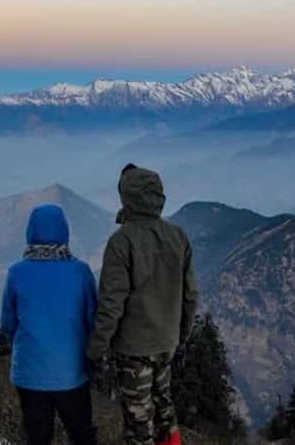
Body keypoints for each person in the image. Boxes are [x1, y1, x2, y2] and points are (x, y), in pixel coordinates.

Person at [87, 164, 199, 445]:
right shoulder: (178, 236)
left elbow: (112, 304)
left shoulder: (122, 241)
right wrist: (181, 336)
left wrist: (96, 350)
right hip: (167, 342)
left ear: (127, 197)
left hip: (133, 350)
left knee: (139, 424)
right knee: (165, 409)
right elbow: (190, 295)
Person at [1, 204, 99, 445]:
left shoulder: (17, 273)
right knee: (81, 434)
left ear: (30, 232)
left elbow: (8, 323)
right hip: (72, 372)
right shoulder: (81, 272)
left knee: (38, 437)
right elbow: (93, 319)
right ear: (64, 231)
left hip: (29, 374)